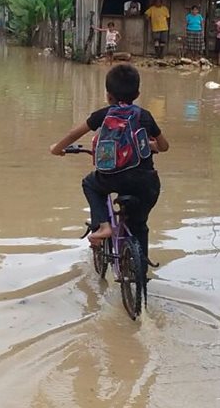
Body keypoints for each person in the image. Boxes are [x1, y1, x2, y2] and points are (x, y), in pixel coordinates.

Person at [49, 64, 169, 262]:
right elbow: (164, 146)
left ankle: (104, 226)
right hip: (146, 183)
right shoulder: (144, 116)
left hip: (111, 178)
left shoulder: (103, 115)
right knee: (139, 224)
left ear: (108, 95)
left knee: (90, 183)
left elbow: (74, 134)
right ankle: (141, 268)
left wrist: (56, 148)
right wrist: (153, 145)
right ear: (137, 93)